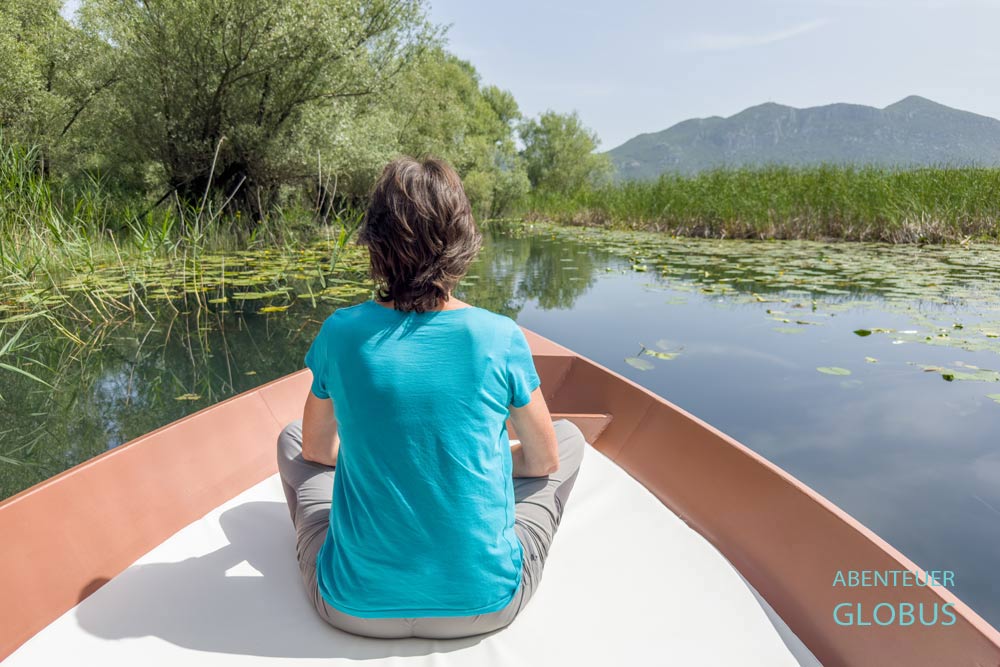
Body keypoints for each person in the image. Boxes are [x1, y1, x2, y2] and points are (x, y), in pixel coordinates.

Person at [276, 156, 586, 640]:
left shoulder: (340, 333)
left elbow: (316, 451)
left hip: (352, 607)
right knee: (567, 439)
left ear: (374, 242)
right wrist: (464, 465)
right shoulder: (499, 335)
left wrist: (378, 458)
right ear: (462, 240)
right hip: (485, 605)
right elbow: (543, 460)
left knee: (291, 438)